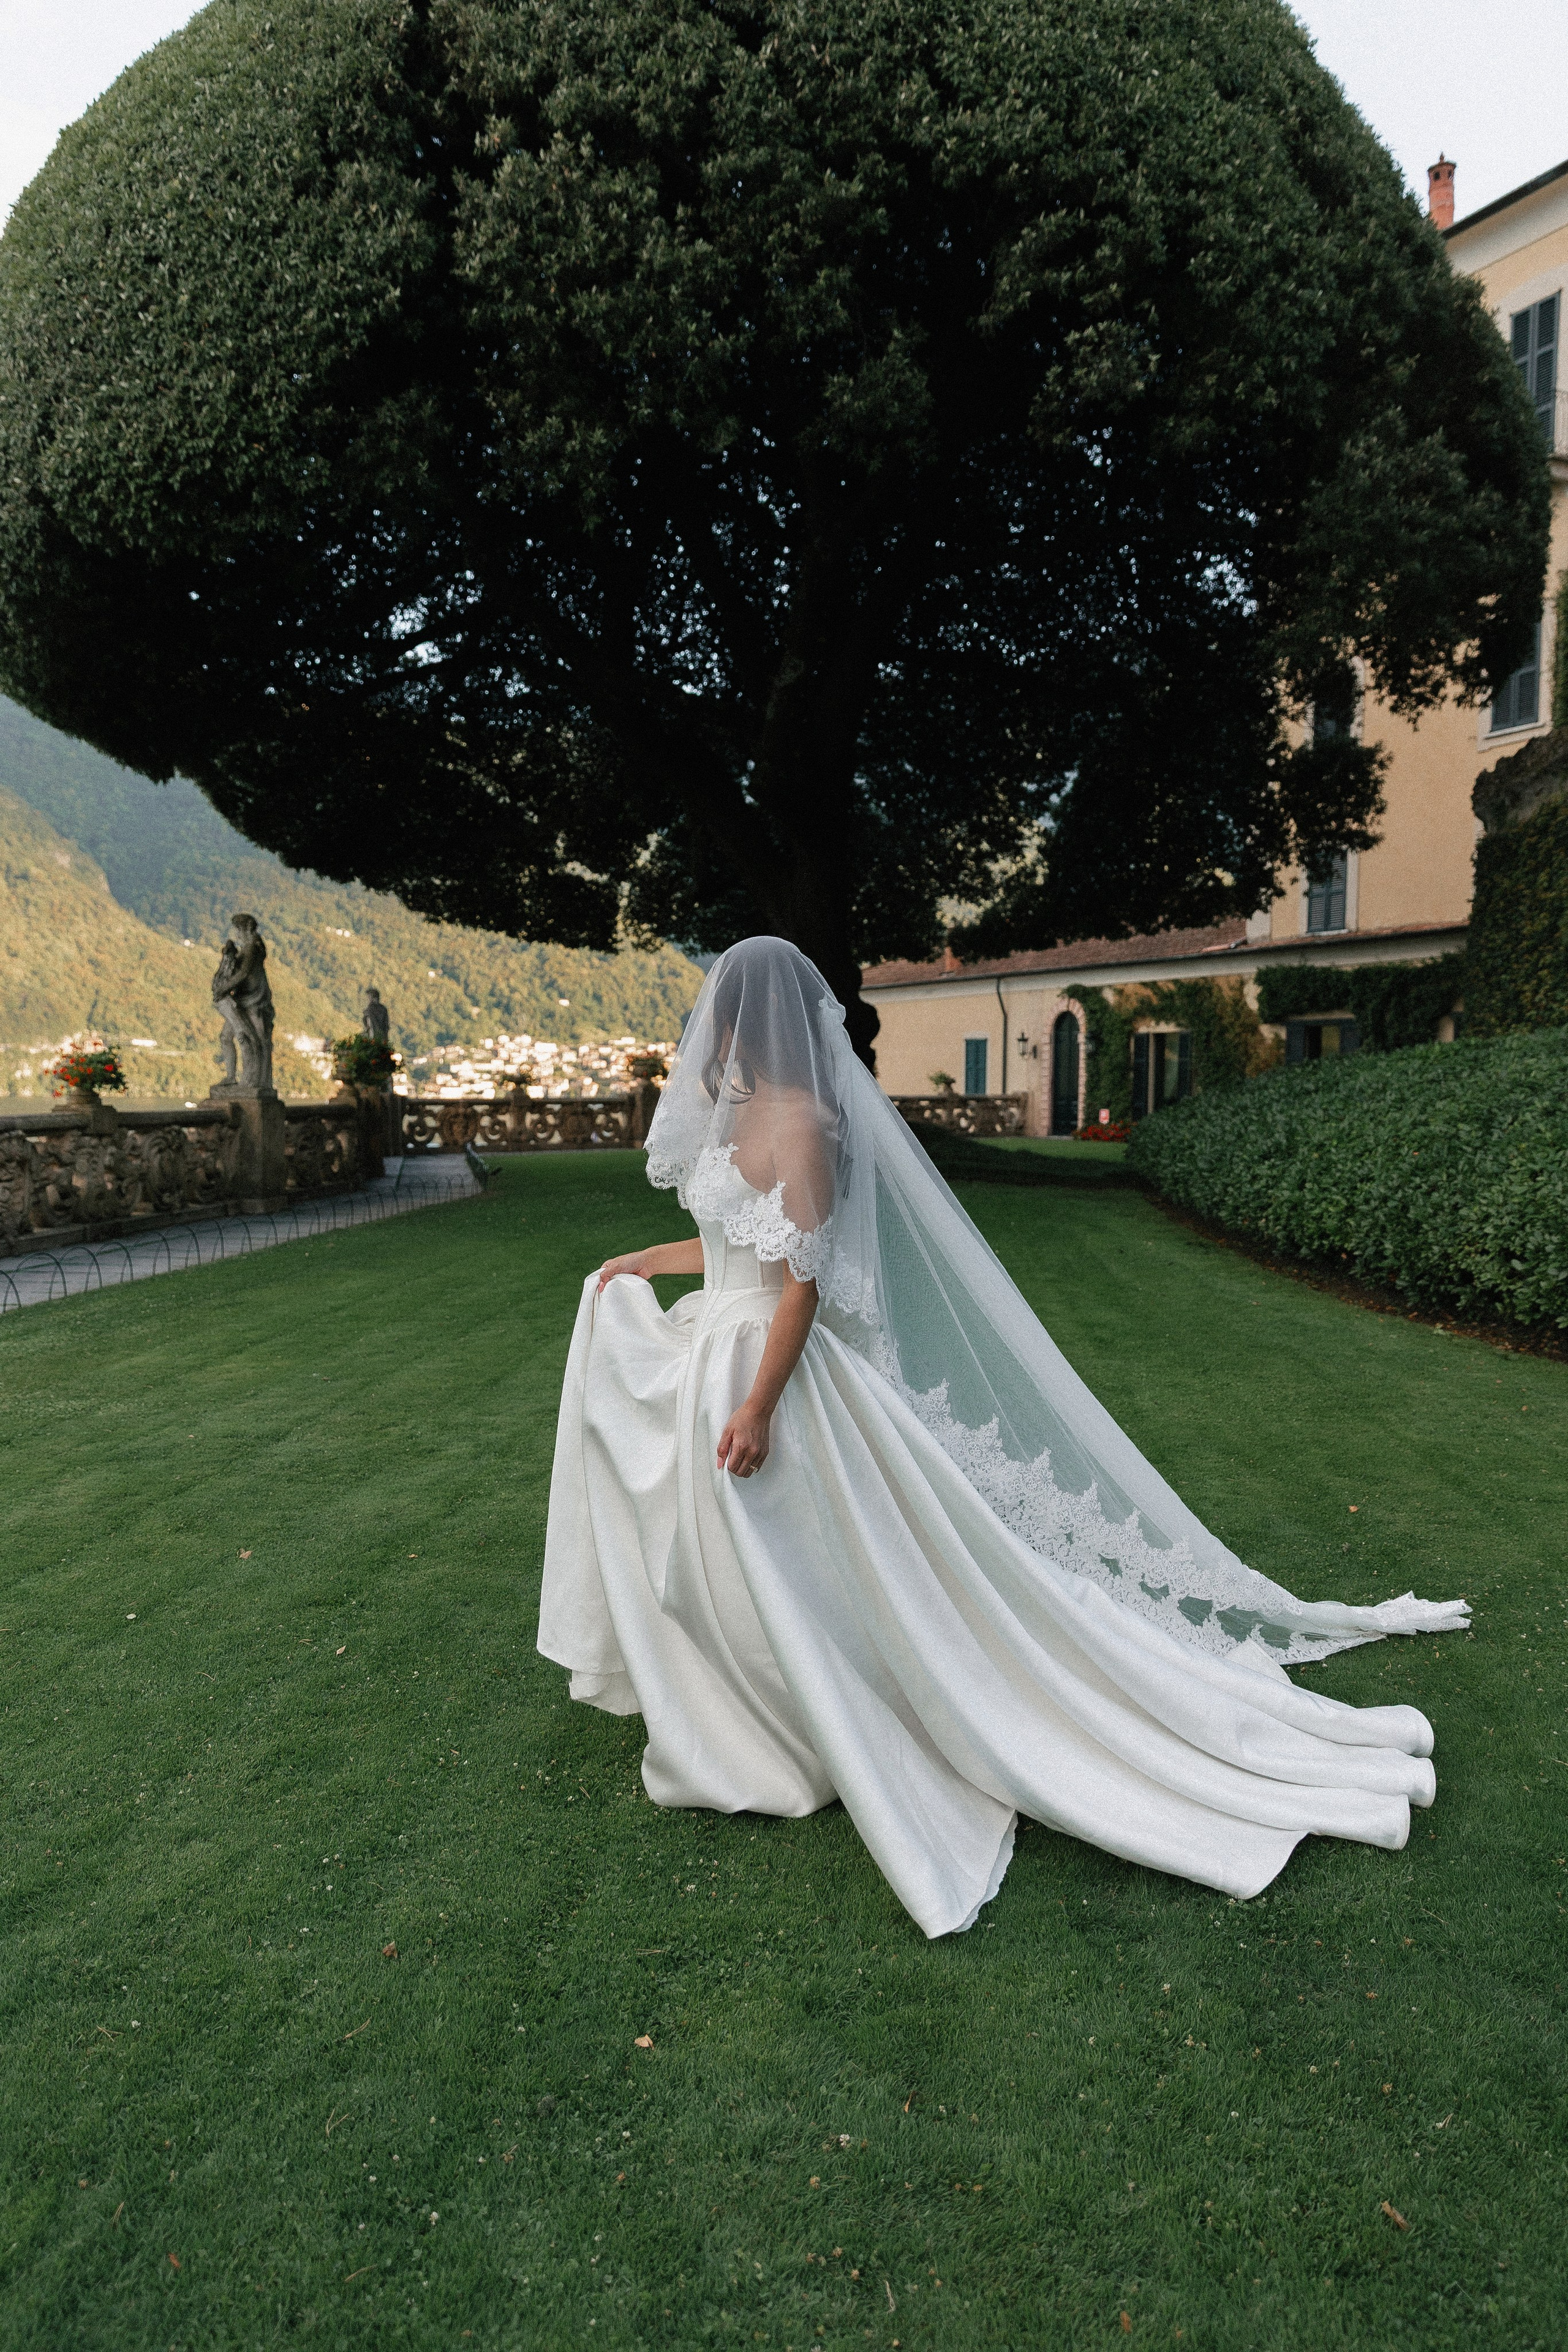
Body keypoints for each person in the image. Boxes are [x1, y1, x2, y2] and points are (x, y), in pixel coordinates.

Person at [540, 938, 1466, 1938]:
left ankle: (827, 1721)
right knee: (731, 1562)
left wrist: (761, 1404)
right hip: (718, 1347)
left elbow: (799, 1283)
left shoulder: (805, 1123)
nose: (709, 1032)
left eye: (721, 1012)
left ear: (750, 1018)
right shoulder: (740, 1116)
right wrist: (647, 1258)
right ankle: (759, 1716)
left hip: (771, 1368)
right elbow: (733, 1242)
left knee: (807, 1561)